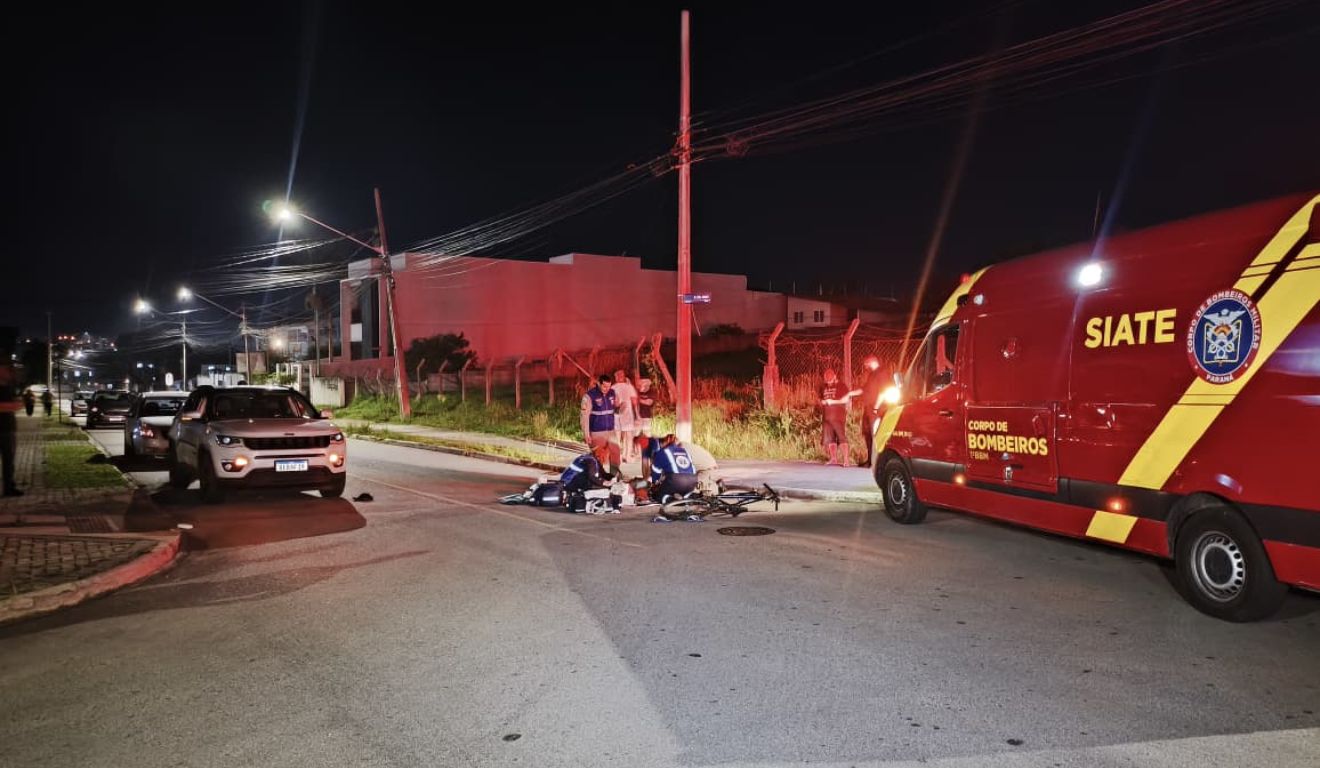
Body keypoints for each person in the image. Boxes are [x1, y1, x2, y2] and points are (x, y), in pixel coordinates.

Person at [579, 374, 620, 473]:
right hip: (597, 432)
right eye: (604, 386)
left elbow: (617, 406)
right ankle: (597, 477)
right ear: (598, 384)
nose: (607, 389)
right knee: (599, 457)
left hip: (611, 431)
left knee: (616, 454)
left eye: (609, 386)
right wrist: (586, 434)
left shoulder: (612, 393)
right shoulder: (589, 396)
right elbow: (584, 417)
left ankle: (614, 477)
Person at [856, 355, 889, 466]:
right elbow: (865, 389)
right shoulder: (872, 374)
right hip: (869, 408)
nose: (865, 367)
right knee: (867, 434)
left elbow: (883, 391)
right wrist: (851, 394)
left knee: (875, 434)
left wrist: (876, 406)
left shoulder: (882, 372)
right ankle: (870, 460)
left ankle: (877, 462)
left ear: (871, 362)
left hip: (877, 409)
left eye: (866, 364)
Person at [0, 331, 21, 497]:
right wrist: (13, 405)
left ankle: (9, 487)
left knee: (9, 461)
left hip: (8, 428)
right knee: (7, 460)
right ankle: (8, 487)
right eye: (8, 368)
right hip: (3, 429)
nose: (10, 371)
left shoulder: (8, 386)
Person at [647, 433, 698, 501]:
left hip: (675, 480)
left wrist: (654, 484)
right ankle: (687, 496)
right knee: (678, 488)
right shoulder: (685, 451)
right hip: (693, 480)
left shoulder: (661, 452)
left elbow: (655, 473)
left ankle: (670, 499)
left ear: (664, 443)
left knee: (657, 495)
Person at [819, 368, 851, 466]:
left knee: (841, 437)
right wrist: (822, 402)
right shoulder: (823, 387)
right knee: (830, 439)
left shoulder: (841, 386)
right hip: (827, 416)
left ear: (834, 377)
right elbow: (819, 399)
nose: (828, 383)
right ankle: (833, 458)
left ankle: (846, 460)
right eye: (826, 381)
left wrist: (833, 402)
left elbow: (846, 400)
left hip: (838, 416)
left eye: (830, 381)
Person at [611, 370, 638, 462]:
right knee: (628, 435)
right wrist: (637, 415)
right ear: (623, 377)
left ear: (617, 378)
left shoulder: (613, 387)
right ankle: (627, 456)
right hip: (627, 413)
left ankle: (618, 456)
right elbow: (634, 402)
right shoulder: (629, 387)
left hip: (616, 413)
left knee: (617, 435)